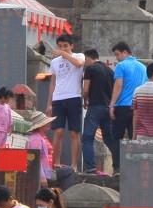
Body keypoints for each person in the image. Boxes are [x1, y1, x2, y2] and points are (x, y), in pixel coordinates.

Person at [46, 33, 85, 171]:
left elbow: (79, 64)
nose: (62, 48)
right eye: (60, 46)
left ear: (71, 46)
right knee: (58, 131)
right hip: (58, 98)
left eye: (66, 46)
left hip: (74, 97)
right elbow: (53, 82)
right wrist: (49, 103)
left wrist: (64, 54)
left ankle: (74, 165)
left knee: (74, 132)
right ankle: (56, 163)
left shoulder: (78, 56)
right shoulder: (54, 62)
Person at [109, 42, 146, 159]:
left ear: (125, 52)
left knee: (116, 138)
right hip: (138, 107)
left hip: (122, 107)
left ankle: (117, 167)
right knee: (135, 137)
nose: (117, 58)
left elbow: (118, 85)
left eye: (117, 54)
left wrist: (111, 105)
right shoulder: (143, 67)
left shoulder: (121, 66)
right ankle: (135, 167)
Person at [81, 49, 115, 175]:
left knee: (87, 138)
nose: (85, 63)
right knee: (109, 139)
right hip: (108, 108)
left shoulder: (90, 69)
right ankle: (119, 164)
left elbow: (85, 89)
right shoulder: (110, 71)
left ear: (89, 58)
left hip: (95, 107)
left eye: (85, 60)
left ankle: (91, 168)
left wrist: (85, 100)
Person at [22, 112, 55, 186]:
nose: (48, 125)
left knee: (67, 171)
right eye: (46, 123)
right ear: (41, 126)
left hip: (46, 171)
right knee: (68, 173)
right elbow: (35, 160)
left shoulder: (39, 137)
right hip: (40, 174)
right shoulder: (35, 139)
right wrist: (42, 177)